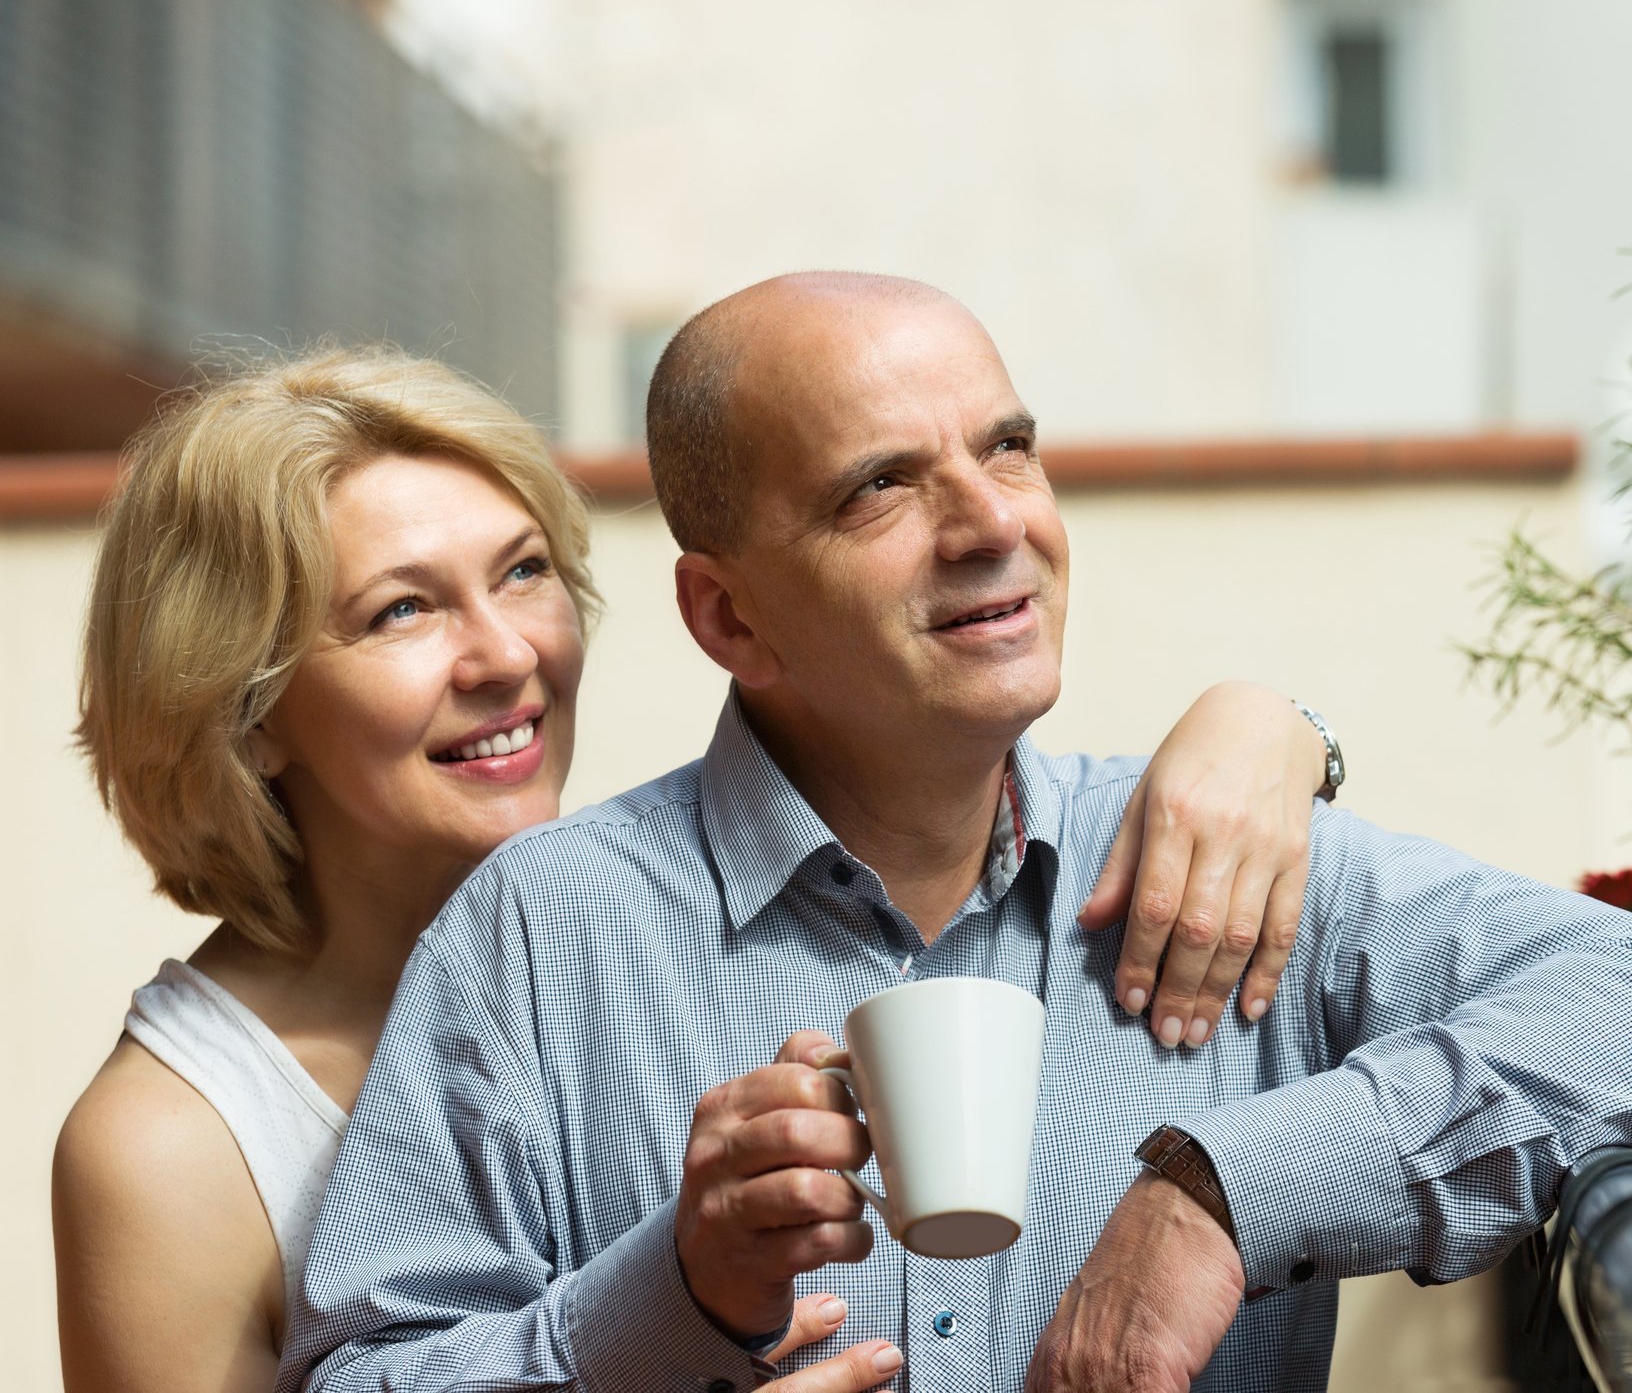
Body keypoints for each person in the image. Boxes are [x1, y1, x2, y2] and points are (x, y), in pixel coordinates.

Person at [281, 277, 1632, 1393]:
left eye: (1006, 448)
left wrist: (1224, 1188)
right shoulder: (540, 929)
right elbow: (360, 1380)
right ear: (728, 612)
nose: (989, 520)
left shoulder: (1223, 862)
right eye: (882, 484)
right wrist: (668, 1296)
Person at [48, 346, 1339, 1393]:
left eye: (524, 573)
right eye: (403, 609)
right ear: (246, 702)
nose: (507, 653)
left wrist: (1277, 728)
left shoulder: (622, 923)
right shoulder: (168, 1145)